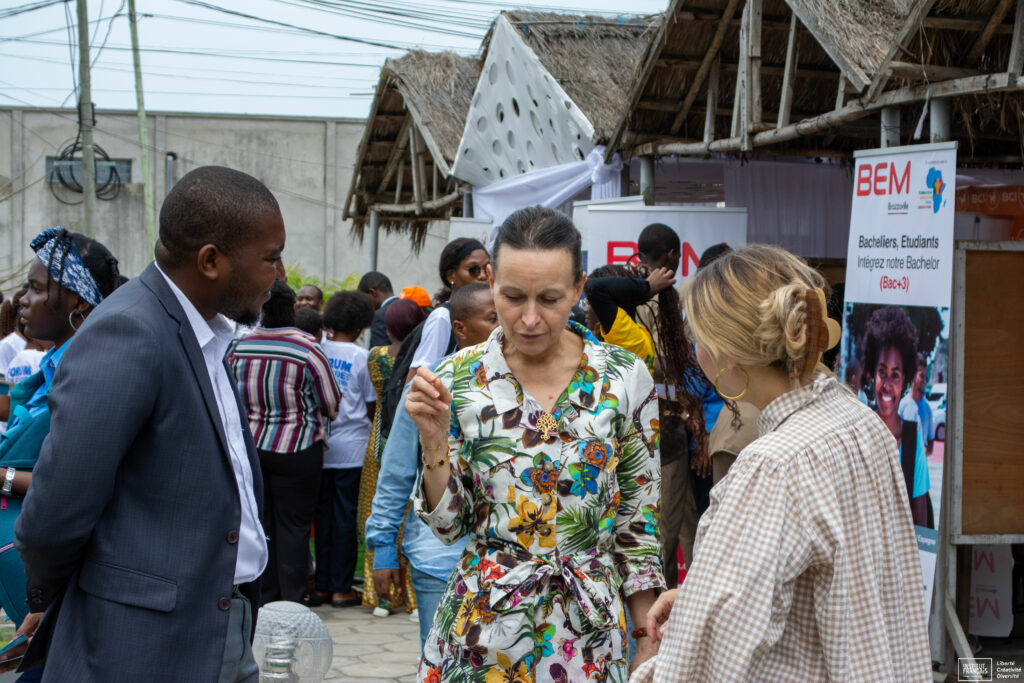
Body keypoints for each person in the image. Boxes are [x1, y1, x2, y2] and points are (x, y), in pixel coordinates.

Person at [14, 165, 284, 682]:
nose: (281, 274)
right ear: (211, 261)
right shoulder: (130, 331)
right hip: (145, 644)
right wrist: (57, 595)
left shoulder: (205, 334)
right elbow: (56, 509)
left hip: (219, 619)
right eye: (271, 259)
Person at [634, 244, 931, 682]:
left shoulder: (774, 464)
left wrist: (652, 666)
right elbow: (845, 584)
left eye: (699, 337)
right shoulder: (863, 423)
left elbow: (711, 656)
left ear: (725, 353)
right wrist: (701, 594)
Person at [406, 207, 663, 681]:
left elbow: (637, 522)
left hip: (588, 634)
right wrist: (434, 442)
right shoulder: (457, 380)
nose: (529, 318)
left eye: (549, 298)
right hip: (484, 629)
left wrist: (646, 638)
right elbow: (448, 527)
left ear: (579, 288)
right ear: (491, 280)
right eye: (512, 296)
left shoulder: (624, 377)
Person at [0, 229, 120, 683]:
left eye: (35, 288)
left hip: (66, 566)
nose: (22, 301)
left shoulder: (90, 371)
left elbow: (74, 482)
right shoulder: (51, 366)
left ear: (79, 303)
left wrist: (3, 477)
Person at [366, 283, 496, 646]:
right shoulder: (431, 385)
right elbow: (396, 472)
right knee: (440, 659)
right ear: (460, 327)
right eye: (492, 318)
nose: (504, 326)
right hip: (439, 561)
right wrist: (384, 548)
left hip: (506, 566)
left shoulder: (525, 387)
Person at [230, 280, 342, 606]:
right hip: (297, 449)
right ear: (293, 309)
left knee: (260, 521)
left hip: (251, 448)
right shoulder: (307, 348)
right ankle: (291, 599)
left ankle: (262, 595)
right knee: (293, 526)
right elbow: (331, 402)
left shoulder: (239, 346)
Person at [634, 223, 707, 587]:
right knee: (667, 532)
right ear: (672, 256)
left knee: (684, 523)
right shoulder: (659, 299)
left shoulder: (627, 292)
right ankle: (663, 613)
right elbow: (662, 369)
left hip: (648, 432)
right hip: (665, 433)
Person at [378, 240, 490, 440]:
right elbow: (416, 379)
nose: (482, 275)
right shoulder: (442, 318)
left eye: (486, 268)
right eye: (473, 270)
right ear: (451, 276)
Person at [357, 297, 425, 615]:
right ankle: (413, 596)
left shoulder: (375, 357)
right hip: (412, 431)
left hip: (380, 434)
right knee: (411, 510)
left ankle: (380, 596)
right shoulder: (424, 360)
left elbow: (372, 401)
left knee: (379, 509)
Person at [312, 290, 377, 608]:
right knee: (345, 518)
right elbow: (369, 404)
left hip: (319, 447)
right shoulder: (360, 356)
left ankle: (321, 585)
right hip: (352, 449)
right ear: (360, 325)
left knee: (321, 517)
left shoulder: (317, 349)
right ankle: (341, 588)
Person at [863, 306, 930, 527]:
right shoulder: (857, 430)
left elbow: (920, 517)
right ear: (873, 373)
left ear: (905, 381)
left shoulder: (912, 439)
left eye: (896, 375)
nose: (887, 385)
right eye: (882, 371)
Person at [900, 353, 935, 455]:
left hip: (921, 468)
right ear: (913, 376)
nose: (924, 380)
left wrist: (920, 452)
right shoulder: (903, 405)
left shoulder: (927, 408)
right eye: (921, 376)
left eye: (925, 376)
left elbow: (931, 446)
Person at [358, 271, 398, 348]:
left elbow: (379, 356)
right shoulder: (410, 309)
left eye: (363, 298)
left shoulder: (379, 316)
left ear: (373, 293)